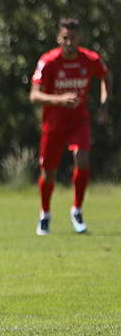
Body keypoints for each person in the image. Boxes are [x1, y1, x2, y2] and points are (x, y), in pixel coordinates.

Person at [29, 18, 111, 235]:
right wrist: (59, 100)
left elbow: (106, 78)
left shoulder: (90, 59)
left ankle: (77, 210)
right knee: (48, 173)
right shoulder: (48, 61)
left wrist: (104, 105)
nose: (68, 42)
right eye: (65, 38)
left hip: (79, 121)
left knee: (82, 158)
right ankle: (45, 214)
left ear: (79, 39)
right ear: (59, 38)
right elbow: (34, 96)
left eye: (72, 38)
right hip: (53, 124)